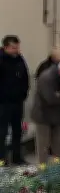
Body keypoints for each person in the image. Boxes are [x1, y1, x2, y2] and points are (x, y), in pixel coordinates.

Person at [31, 60, 60, 164]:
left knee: (58, 145)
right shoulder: (47, 77)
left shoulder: (59, 77)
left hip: (55, 116)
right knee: (43, 146)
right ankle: (43, 170)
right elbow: (50, 98)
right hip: (43, 116)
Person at [0, 35, 30, 165]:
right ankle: (2, 159)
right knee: (2, 132)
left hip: (18, 102)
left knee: (17, 131)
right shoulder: (1, 60)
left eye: (17, 47)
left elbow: (25, 77)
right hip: (3, 103)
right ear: (6, 47)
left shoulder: (19, 60)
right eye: (13, 48)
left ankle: (17, 158)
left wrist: (23, 93)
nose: (16, 50)